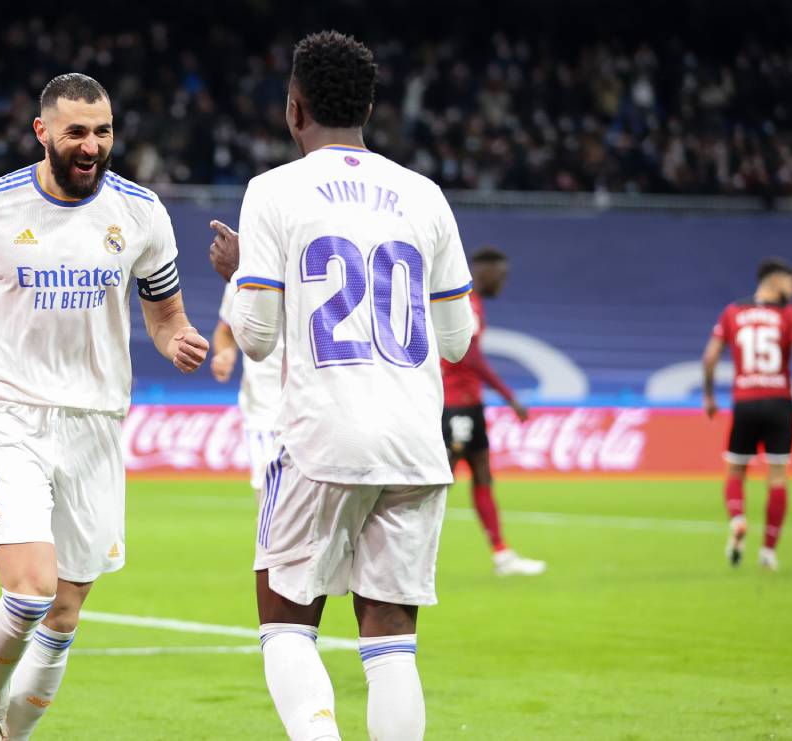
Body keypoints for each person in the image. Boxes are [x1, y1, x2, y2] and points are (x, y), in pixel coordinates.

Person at [0, 73, 208, 740]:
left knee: (65, 614)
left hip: (96, 424)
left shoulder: (142, 214)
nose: (92, 145)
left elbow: (165, 315)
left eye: (102, 131)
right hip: (10, 414)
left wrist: (177, 339)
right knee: (31, 589)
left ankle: (8, 735)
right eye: (77, 132)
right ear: (42, 132)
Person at [209, 31, 474, 741]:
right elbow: (456, 339)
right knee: (390, 639)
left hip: (324, 437)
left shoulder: (273, 191)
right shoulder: (425, 196)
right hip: (417, 443)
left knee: (287, 621)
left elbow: (257, 336)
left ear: (294, 109)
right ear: (370, 105)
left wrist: (241, 277)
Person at [440, 247, 545, 576]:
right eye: (501, 274)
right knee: (439, 481)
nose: (504, 281)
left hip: (470, 403)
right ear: (484, 272)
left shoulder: (474, 303)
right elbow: (469, 357)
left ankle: (502, 555)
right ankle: (400, 553)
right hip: (455, 403)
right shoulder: (468, 301)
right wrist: (509, 395)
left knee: (482, 473)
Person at [702, 257, 792, 571]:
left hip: (745, 401)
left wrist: (710, 396)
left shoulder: (732, 312)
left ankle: (738, 518)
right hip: (780, 401)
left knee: (736, 470)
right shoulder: (787, 316)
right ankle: (768, 552)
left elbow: (710, 357)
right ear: (775, 281)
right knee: (778, 477)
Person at [211, 282, 283, 498]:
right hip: (265, 412)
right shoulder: (242, 279)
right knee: (270, 508)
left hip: (311, 410)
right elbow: (225, 331)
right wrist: (225, 353)